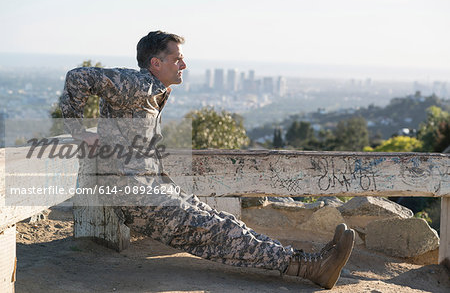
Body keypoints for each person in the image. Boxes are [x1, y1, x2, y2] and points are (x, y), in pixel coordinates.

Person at [60, 30, 355, 290]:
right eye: (177, 59)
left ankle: (312, 262)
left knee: (223, 221)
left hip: (153, 188)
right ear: (156, 63)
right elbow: (78, 76)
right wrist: (77, 131)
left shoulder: (155, 89)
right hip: (137, 197)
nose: (184, 65)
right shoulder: (136, 84)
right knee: (218, 232)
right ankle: (310, 269)